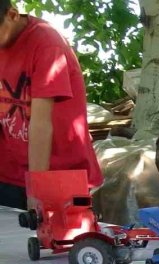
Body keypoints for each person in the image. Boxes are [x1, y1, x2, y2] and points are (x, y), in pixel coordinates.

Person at [0, 1, 103, 209]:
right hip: (9, 174)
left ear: (12, 15)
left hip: (59, 175)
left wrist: (37, 190)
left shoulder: (47, 44)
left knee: (55, 240)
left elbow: (41, 124)